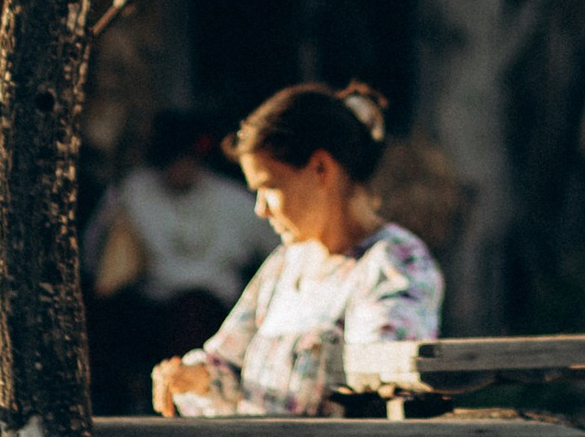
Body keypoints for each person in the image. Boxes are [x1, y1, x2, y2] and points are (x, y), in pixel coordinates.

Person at [151, 80, 442, 415]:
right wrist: (193, 378)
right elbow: (228, 364)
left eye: (270, 187)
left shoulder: (393, 262)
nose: (261, 209)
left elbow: (378, 383)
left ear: (320, 168)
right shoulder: (285, 265)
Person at [86, 110, 274, 403]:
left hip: (208, 312)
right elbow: (96, 254)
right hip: (148, 305)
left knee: (193, 314)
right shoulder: (132, 191)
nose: (182, 169)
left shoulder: (233, 200)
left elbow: (274, 249)